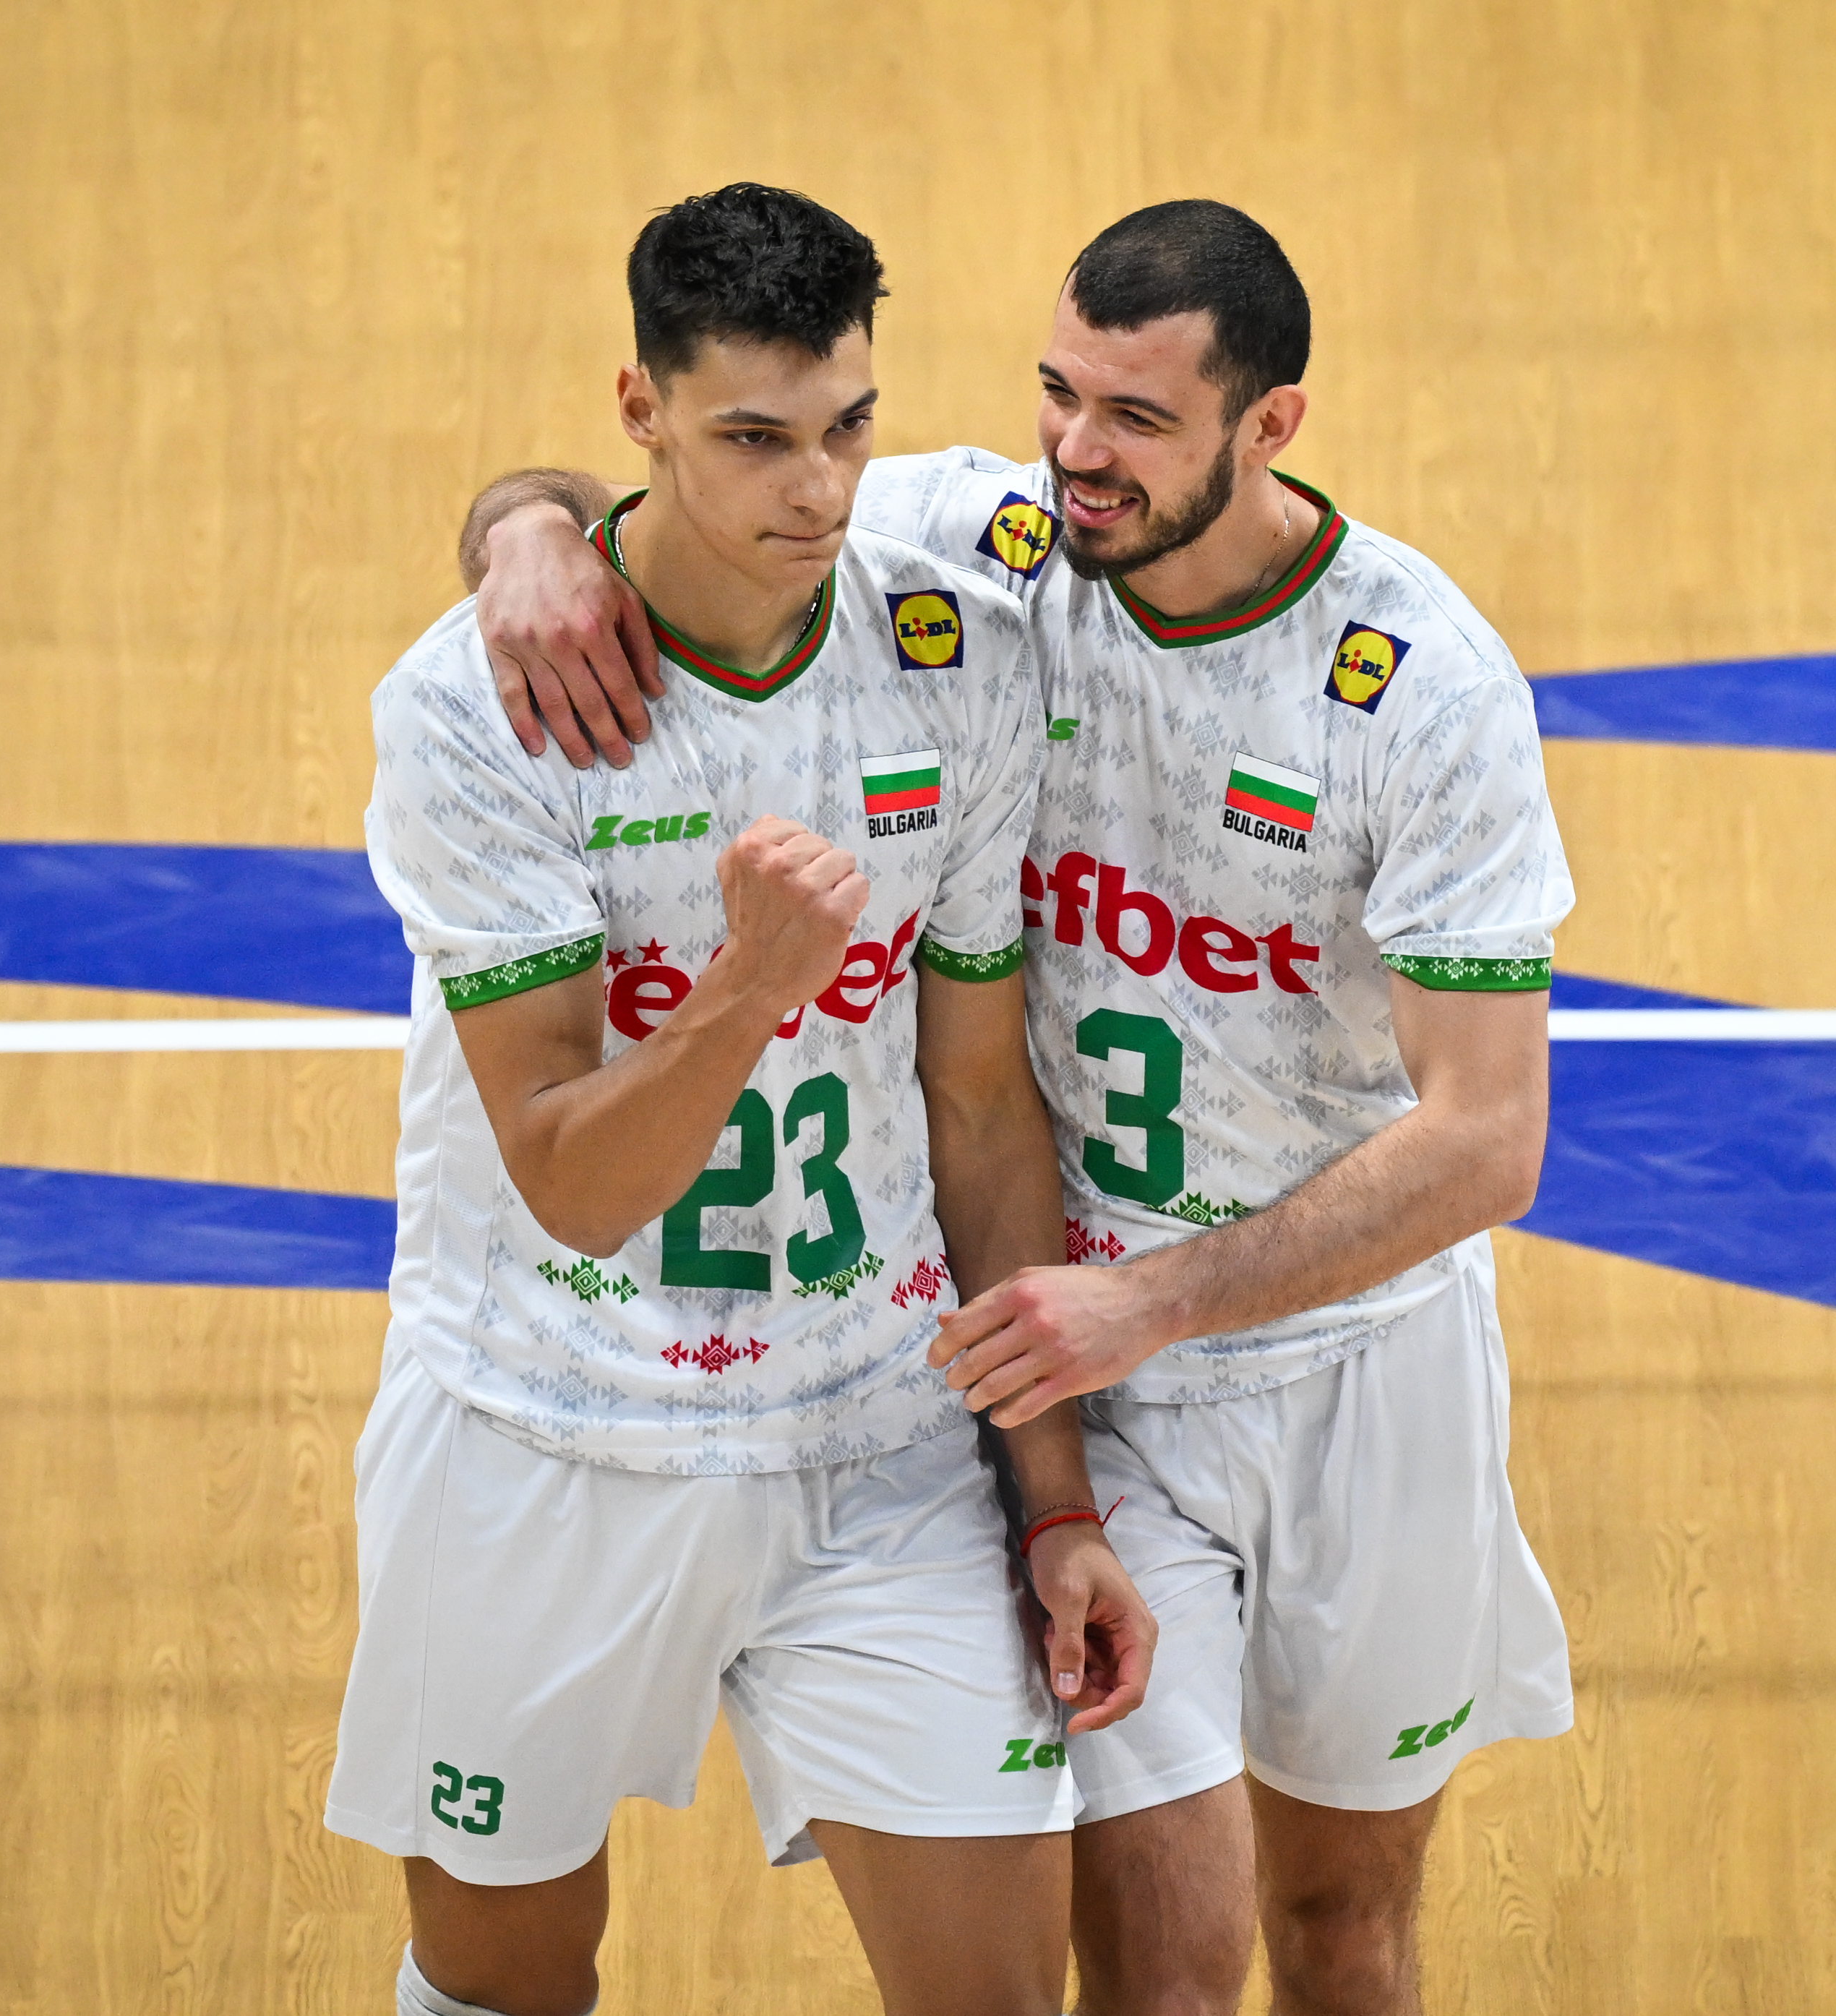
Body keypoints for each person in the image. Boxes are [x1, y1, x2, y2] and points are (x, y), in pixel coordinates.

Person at [460, 199, 1574, 2016]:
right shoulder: (977, 544)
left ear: (1269, 426)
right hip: (1091, 1384)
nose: (1076, 454)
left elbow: (1487, 1139)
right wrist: (523, 537)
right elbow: (666, 482)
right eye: (1057, 395)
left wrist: (1162, 1294)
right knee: (1159, 1977)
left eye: (1135, 418)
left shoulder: (1421, 689)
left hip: (1353, 1368)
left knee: (1345, 1935)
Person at [335, 184, 1158, 2016]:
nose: (820, 490)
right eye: (753, 439)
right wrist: (751, 991)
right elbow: (567, 1179)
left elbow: (982, 1115)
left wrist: (1051, 1498)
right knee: (502, 1987)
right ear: (639, 409)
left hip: (871, 1444)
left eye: (850, 425)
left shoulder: (959, 650)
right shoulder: (476, 711)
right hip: (543, 1440)